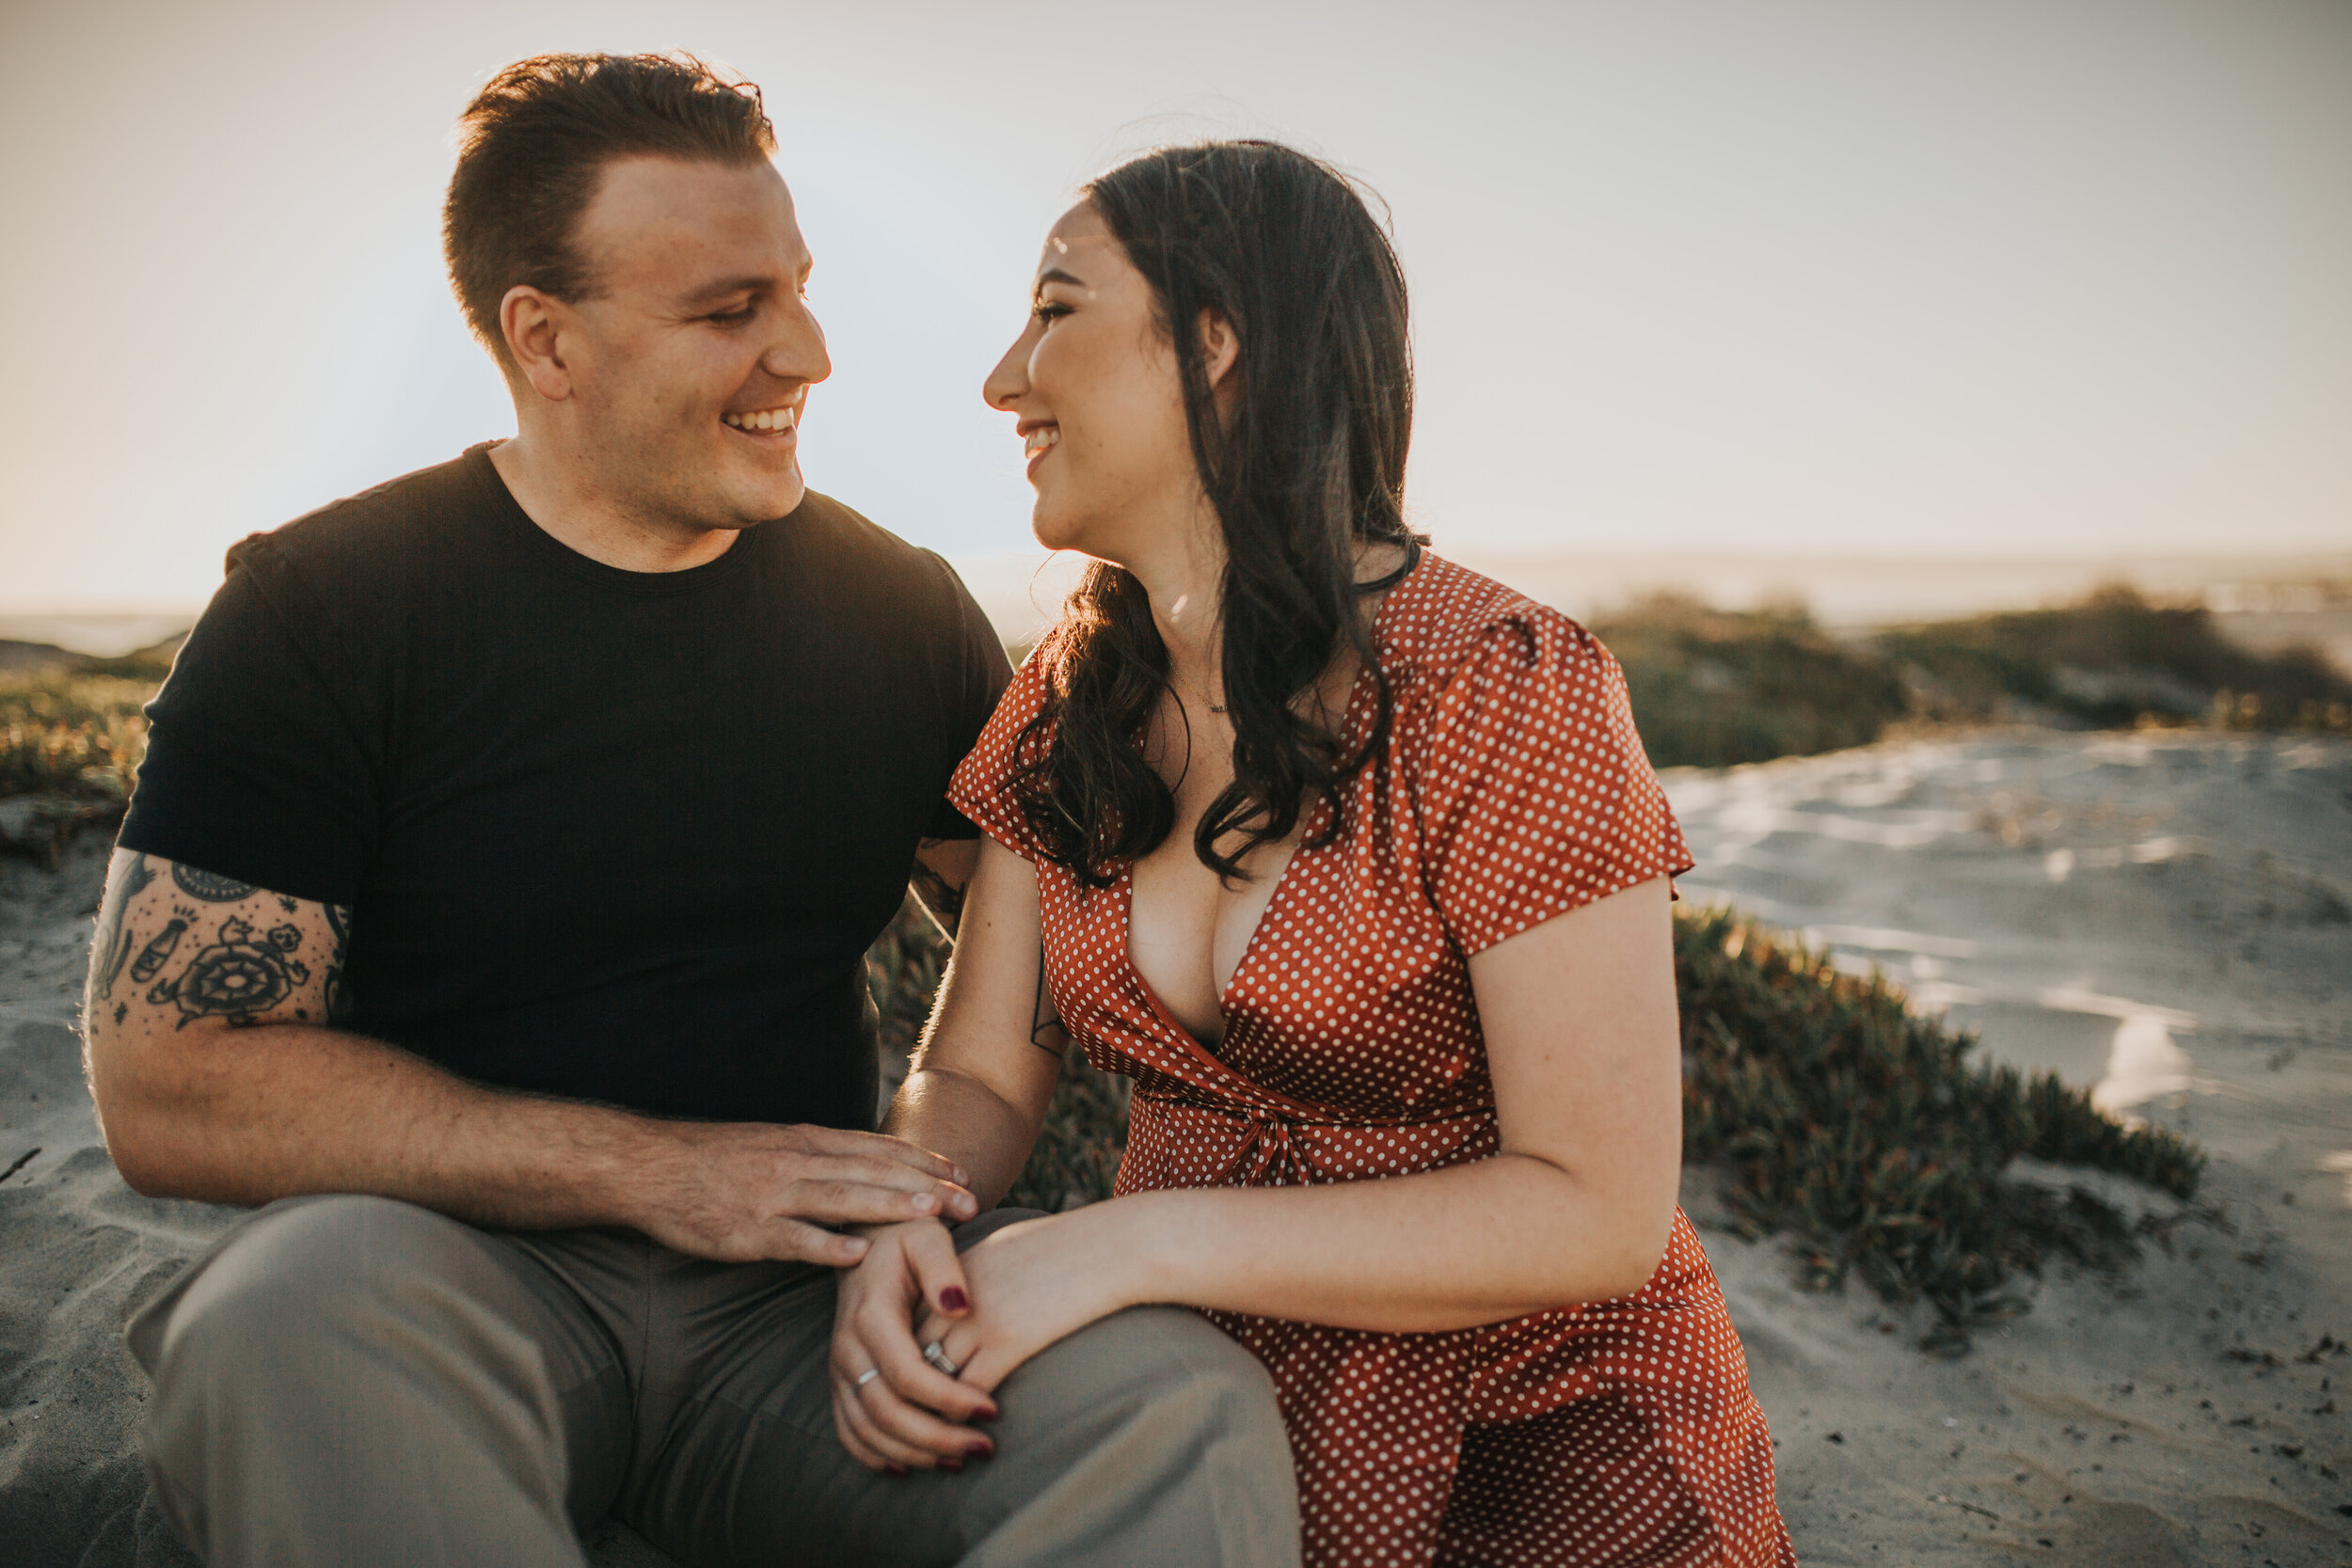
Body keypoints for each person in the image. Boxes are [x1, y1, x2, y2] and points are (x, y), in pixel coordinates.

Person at [83, 55, 1297, 1568]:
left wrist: (917, 1210)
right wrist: (656, 1172)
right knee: (278, 1324)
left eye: (795, 288)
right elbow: (168, 1083)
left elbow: (1044, 966)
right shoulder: (322, 611)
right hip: (441, 1281)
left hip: (805, 1317)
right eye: (731, 312)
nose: (807, 351)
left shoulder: (899, 613)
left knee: (1169, 1402)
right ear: (547, 342)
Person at [830, 141, 1797, 1567]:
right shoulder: (1067, 698)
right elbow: (975, 1070)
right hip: (1192, 1423)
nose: (1003, 378)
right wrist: (907, 1216)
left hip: (1542, 1449)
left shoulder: (1505, 686)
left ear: (1216, 344)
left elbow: (1598, 1211)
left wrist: (1132, 1246)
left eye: (1055, 309)